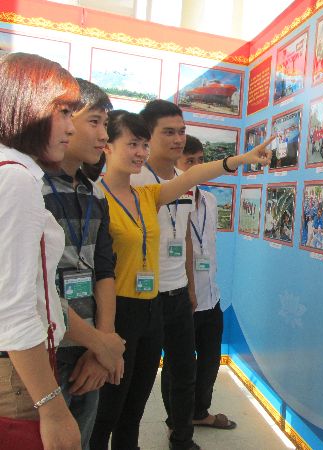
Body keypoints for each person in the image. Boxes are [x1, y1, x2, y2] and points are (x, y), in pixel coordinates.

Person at [90, 110, 272, 450]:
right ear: (107, 146)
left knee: (135, 406)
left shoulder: (147, 195)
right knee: (108, 407)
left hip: (150, 309)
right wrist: (103, 331)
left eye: (143, 145)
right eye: (132, 144)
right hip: (118, 310)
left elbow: (194, 175)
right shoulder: (95, 198)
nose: (140, 152)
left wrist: (239, 160)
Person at [0, 52, 122, 450]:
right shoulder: (17, 179)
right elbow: (18, 307)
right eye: (64, 112)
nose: (70, 127)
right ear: (28, 105)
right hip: (21, 370)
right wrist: (52, 408)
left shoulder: (16, 173)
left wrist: (101, 340)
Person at [40, 78, 125, 450]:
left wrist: (101, 343)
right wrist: (102, 344)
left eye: (105, 124)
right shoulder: (31, 186)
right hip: (45, 347)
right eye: (94, 122)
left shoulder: (93, 193)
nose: (103, 135)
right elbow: (36, 287)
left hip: (89, 346)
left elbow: (104, 270)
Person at [130, 100, 196, 450]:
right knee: (136, 381)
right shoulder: (134, 179)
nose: (178, 139)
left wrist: (191, 287)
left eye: (181, 131)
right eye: (168, 132)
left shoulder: (187, 181)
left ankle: (182, 437)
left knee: (184, 372)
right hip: (144, 297)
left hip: (179, 293)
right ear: (148, 136)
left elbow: (184, 237)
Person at [175, 135, 237, 432]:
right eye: (190, 161)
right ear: (176, 163)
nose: (198, 167)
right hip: (181, 300)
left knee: (211, 361)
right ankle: (176, 421)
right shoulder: (168, 200)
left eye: (201, 160)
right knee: (179, 366)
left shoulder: (210, 201)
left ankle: (200, 412)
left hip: (211, 298)